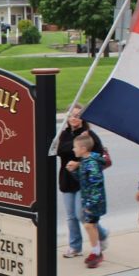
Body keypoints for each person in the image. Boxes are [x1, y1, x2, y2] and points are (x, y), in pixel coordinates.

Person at [55, 104, 109, 258]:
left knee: (81, 214)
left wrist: (79, 163)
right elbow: (60, 150)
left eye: (77, 116)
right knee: (70, 215)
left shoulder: (89, 135)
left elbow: (98, 156)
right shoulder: (64, 133)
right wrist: (75, 145)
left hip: (83, 181)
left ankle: (102, 234)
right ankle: (75, 246)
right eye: (71, 115)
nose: (74, 118)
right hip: (66, 179)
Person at [66, 133, 107, 268]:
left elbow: (96, 185)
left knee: (89, 225)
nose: (73, 149)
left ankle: (97, 252)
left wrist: (90, 205)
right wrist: (73, 171)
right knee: (91, 226)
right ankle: (96, 251)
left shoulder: (91, 164)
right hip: (90, 200)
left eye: (75, 147)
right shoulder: (85, 162)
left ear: (83, 149)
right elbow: (83, 180)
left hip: (94, 202)